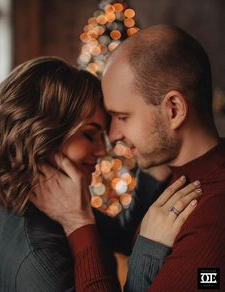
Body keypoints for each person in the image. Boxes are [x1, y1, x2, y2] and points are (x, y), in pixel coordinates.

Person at [30, 24, 225, 292]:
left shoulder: (213, 217)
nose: (113, 135)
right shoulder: (179, 176)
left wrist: (79, 224)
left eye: (123, 117)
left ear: (174, 109)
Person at [0, 56, 201, 292]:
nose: (102, 151)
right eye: (90, 135)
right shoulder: (39, 254)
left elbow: (121, 235)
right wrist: (148, 255)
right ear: (40, 137)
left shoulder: (52, 206)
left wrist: (154, 163)